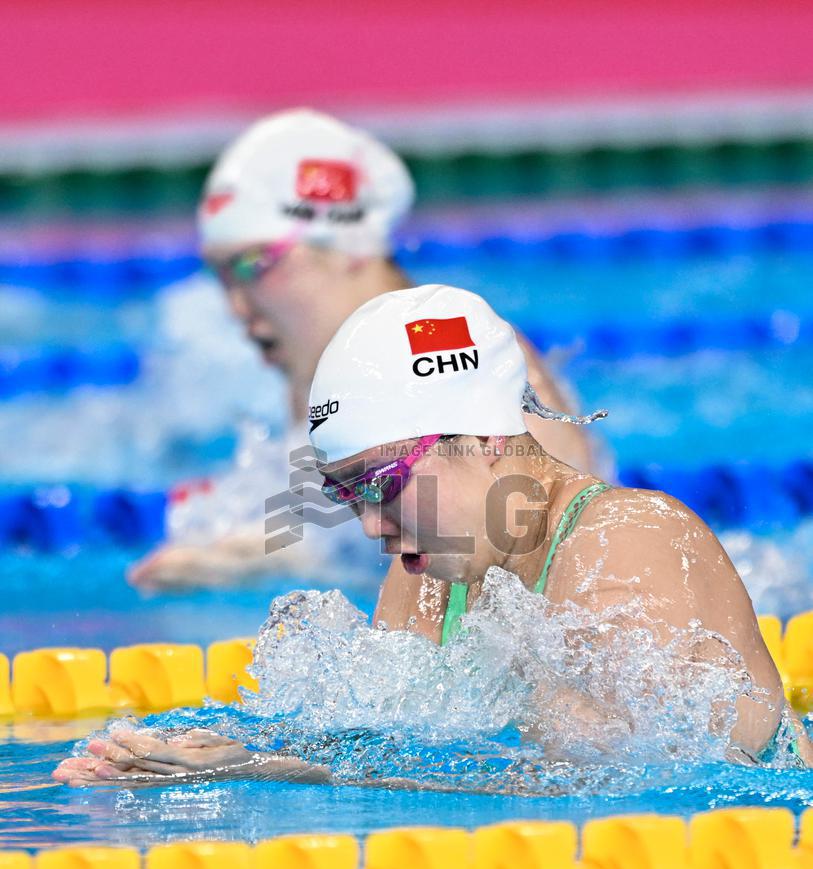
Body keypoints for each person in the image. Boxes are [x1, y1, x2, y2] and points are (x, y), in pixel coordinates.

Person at [54, 284, 810, 788]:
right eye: (342, 494)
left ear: (480, 437)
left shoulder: (630, 537)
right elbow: (391, 742)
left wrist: (274, 770)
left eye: (382, 485)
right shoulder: (430, 576)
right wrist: (212, 756)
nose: (371, 526)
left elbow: (607, 776)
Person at [130, 109, 598, 590]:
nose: (234, 306)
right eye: (221, 275)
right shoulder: (325, 370)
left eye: (253, 265)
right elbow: (335, 536)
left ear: (348, 244)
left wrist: (258, 563)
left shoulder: (473, 372)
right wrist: (251, 554)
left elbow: (550, 579)